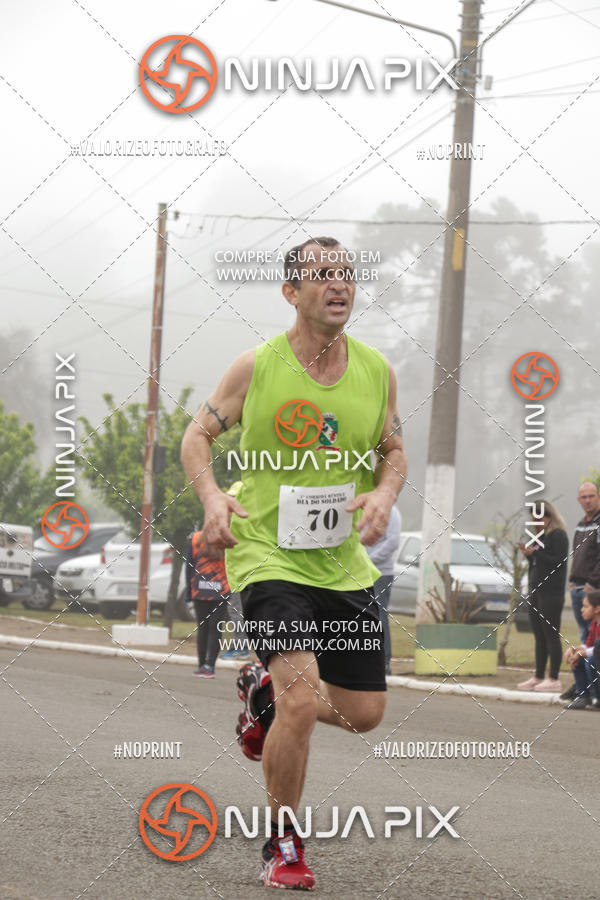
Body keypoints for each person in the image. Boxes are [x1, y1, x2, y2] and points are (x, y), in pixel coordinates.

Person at [182, 236, 406, 891]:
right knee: (303, 701)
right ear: (291, 292)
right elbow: (198, 435)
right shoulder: (256, 367)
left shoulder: (377, 371)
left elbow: (393, 450)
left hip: (343, 567)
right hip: (267, 554)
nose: (339, 285)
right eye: (322, 275)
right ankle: (282, 847)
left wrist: (385, 493)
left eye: (347, 275)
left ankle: (261, 694)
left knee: (364, 715)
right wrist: (214, 498)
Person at [517, 500, 568, 692]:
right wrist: (529, 555)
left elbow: (558, 562)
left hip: (552, 593)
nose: (536, 522)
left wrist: (536, 555)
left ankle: (553, 678)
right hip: (536, 591)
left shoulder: (558, 535)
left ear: (549, 516)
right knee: (539, 636)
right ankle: (538, 676)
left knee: (551, 635)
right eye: (533, 518)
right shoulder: (541, 537)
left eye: (539, 518)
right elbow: (538, 564)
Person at [561, 481, 600, 702]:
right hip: (576, 588)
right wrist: (573, 582)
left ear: (598, 497)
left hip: (592, 590)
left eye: (591, 496)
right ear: (579, 500)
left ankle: (592, 691)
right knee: (585, 638)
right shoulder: (579, 524)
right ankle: (582, 687)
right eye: (583, 497)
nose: (587, 500)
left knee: (594, 640)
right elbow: (578, 556)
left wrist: (592, 585)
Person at [185, 528, 230, 678]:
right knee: (215, 629)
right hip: (221, 588)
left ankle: (201, 666)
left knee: (202, 628)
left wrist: (188, 593)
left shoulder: (195, 538)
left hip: (200, 589)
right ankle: (210, 666)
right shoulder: (228, 538)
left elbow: (189, 567)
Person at [366, 504, 402, 675]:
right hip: (358, 572)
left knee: (379, 616)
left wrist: (368, 560)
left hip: (381, 573)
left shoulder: (391, 511)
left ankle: (384, 662)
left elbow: (393, 542)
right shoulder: (362, 510)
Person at [562, 590, 600, 710]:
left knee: (590, 661)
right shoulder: (595, 623)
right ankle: (584, 697)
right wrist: (575, 649)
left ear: (597, 609)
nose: (581, 609)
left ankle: (597, 699)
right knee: (579, 660)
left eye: (585, 606)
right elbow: (589, 645)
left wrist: (583, 653)